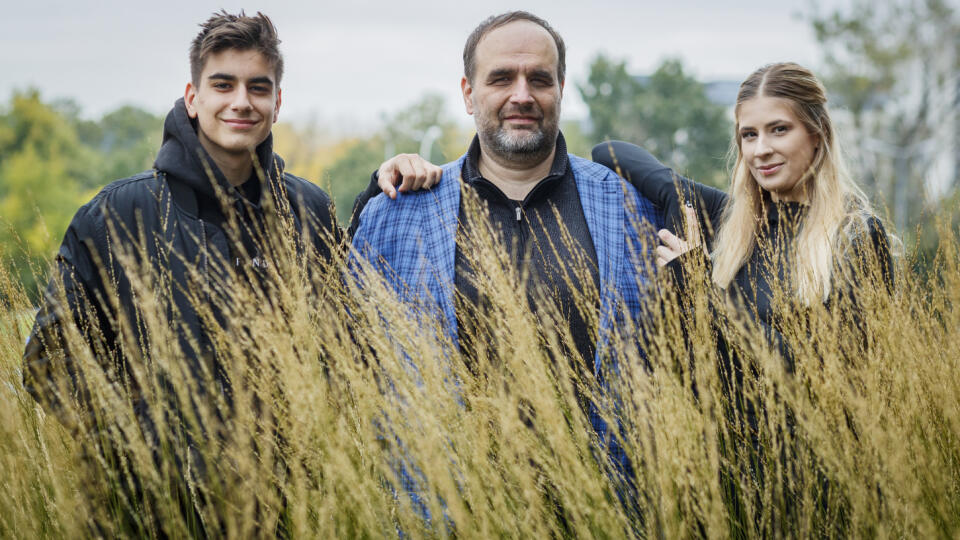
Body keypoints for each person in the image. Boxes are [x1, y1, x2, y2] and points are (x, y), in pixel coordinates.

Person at [22, 11, 337, 536]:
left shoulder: (308, 211)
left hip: (281, 513)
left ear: (277, 103)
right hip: (145, 515)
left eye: (259, 87)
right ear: (193, 98)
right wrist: (141, 444)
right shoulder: (119, 214)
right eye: (223, 84)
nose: (242, 101)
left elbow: (342, 350)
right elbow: (49, 361)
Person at [350, 11, 661, 518]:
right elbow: (349, 360)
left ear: (561, 88)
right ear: (468, 93)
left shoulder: (632, 208)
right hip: (444, 511)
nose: (522, 95)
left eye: (539, 79)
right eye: (501, 78)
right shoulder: (397, 214)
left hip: (602, 512)